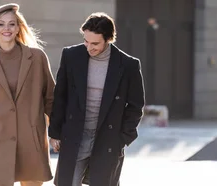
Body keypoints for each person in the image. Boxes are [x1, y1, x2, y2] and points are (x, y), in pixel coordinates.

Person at [49, 12, 145, 186]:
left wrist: (123, 138)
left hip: (107, 137)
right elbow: (60, 96)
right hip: (76, 133)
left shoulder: (128, 65)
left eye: (95, 43)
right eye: (86, 41)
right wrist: (54, 133)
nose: (89, 47)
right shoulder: (71, 56)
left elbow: (135, 106)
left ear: (109, 39)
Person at [0, 3, 55, 186]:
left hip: (31, 139)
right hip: (0, 139)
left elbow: (50, 99)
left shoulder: (37, 58)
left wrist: (57, 133)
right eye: (1, 24)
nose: (7, 28)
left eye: (11, 24)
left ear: (18, 28)